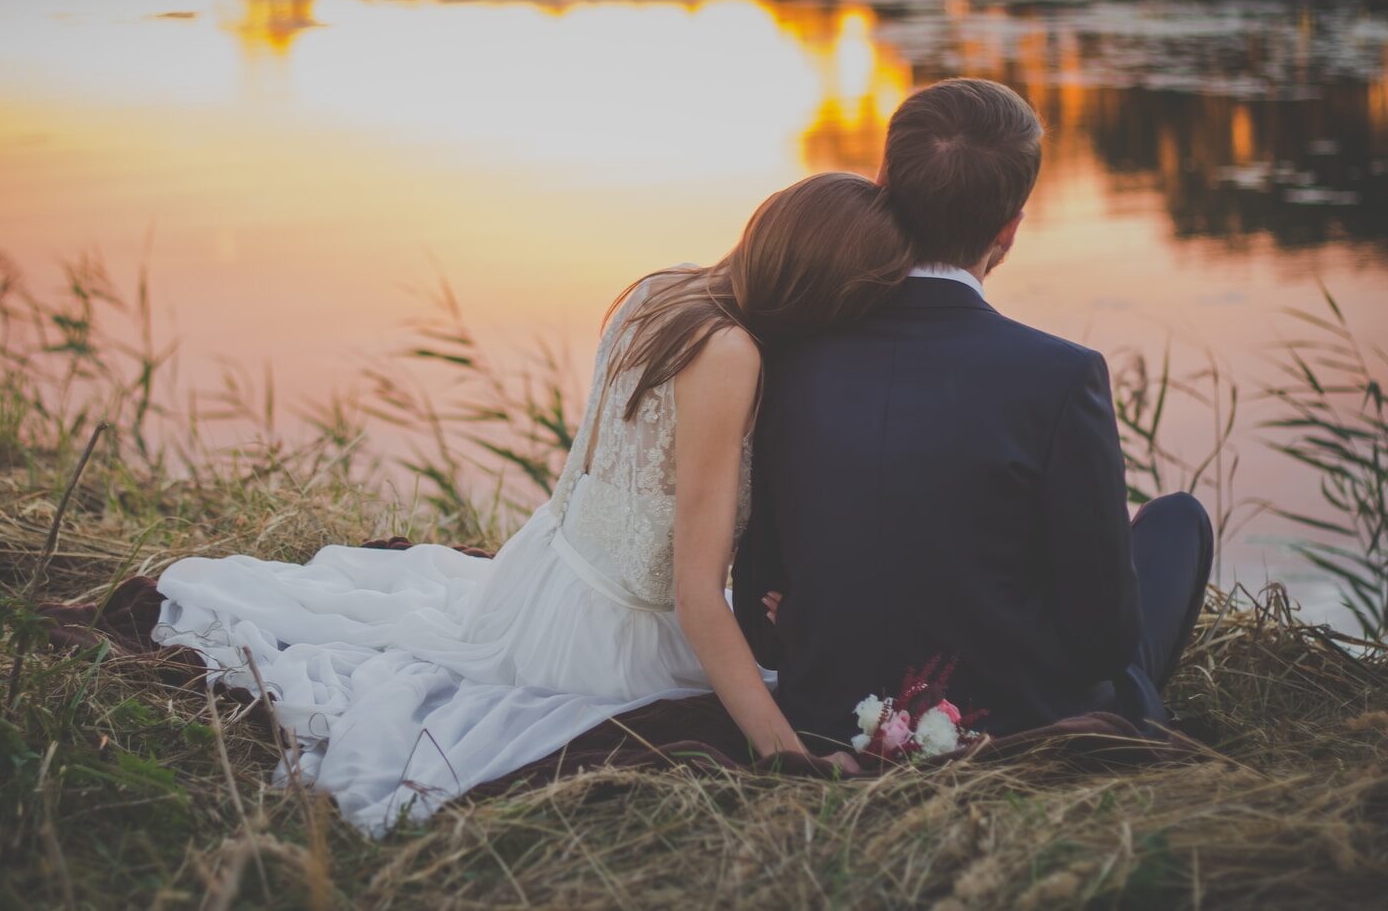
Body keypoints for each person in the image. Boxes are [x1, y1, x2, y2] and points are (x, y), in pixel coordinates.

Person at [152, 172, 910, 835]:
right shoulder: (730, 354)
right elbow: (692, 594)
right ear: (824, 294)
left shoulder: (667, 287)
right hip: (606, 635)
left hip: (541, 572)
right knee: (784, 698)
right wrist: (787, 757)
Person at [734, 78, 1214, 749]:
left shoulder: (785, 359)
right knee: (1178, 522)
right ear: (1009, 229)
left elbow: (757, 613)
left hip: (826, 710)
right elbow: (1102, 642)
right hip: (1009, 717)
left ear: (882, 185)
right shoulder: (1062, 376)